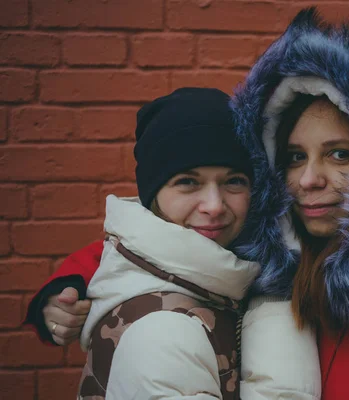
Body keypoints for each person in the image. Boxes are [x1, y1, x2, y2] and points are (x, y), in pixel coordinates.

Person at [26, 8, 349, 399]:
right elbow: (152, 250)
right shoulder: (265, 245)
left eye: (340, 154)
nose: (310, 179)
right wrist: (67, 284)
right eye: (294, 156)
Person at [31, 87, 321, 400]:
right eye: (187, 182)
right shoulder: (157, 329)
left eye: (234, 180)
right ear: (152, 195)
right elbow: (100, 260)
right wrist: (55, 302)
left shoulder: (263, 248)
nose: (214, 205)